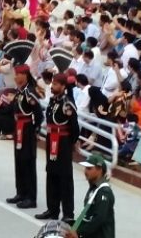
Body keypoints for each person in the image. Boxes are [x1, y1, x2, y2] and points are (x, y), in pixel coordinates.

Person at [36, 74, 80, 224]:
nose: (52, 86)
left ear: (63, 86)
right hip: (51, 140)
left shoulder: (67, 103)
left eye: (55, 84)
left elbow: (74, 127)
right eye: (52, 83)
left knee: (65, 177)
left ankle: (68, 213)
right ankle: (52, 209)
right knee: (51, 173)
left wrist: (70, 143)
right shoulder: (53, 101)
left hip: (63, 142)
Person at [6, 64, 43, 209]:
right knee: (19, 162)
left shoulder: (30, 93)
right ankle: (20, 192)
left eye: (18, 74)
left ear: (25, 76)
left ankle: (30, 197)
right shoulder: (20, 92)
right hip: (18, 129)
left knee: (28, 163)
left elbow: (38, 114)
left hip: (27, 130)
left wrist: (35, 130)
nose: (15, 77)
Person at [68, 154, 115, 238]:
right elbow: (88, 216)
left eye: (89, 168)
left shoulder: (104, 192)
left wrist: (79, 232)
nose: (85, 171)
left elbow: (99, 219)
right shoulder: (94, 188)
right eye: (85, 168)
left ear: (99, 170)